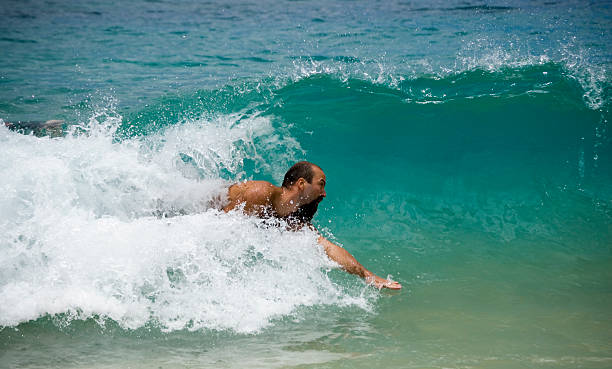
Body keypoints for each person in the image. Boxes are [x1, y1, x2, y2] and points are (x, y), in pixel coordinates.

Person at [223, 161, 402, 290]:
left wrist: (369, 276)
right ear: (301, 184)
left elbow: (329, 249)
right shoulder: (262, 194)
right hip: (204, 204)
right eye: (321, 185)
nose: (324, 194)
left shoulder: (293, 220)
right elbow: (218, 225)